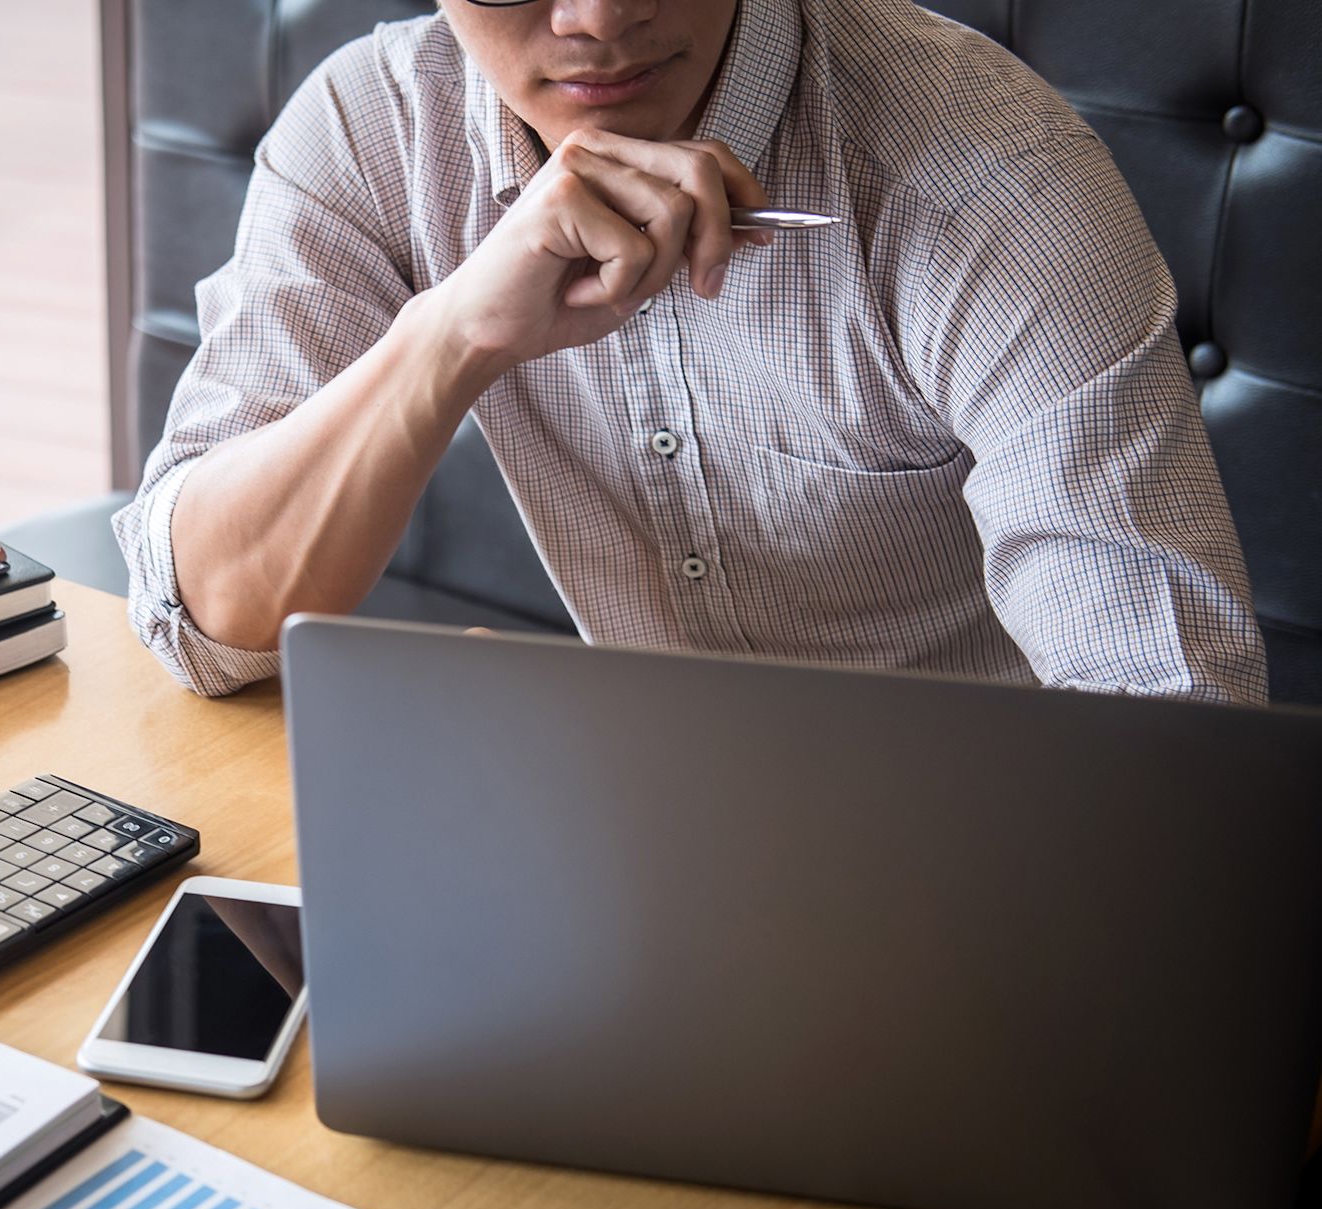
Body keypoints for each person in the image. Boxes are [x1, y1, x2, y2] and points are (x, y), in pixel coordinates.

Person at [112, 0, 1267, 704]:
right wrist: (448, 335)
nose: (599, 17)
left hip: (979, 861)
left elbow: (1166, 714)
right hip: (641, 833)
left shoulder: (984, 178)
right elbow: (203, 621)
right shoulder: (370, 133)